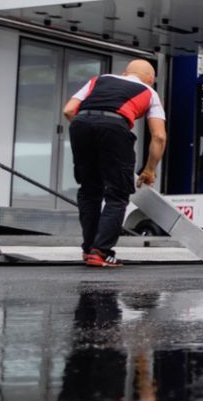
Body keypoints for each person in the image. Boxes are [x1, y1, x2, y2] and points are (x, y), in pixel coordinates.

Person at [61, 60, 167, 268]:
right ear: (151, 80)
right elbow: (159, 137)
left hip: (81, 124)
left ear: (125, 73)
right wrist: (149, 170)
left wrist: (90, 129)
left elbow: (69, 110)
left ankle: (89, 249)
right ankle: (101, 252)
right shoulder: (149, 92)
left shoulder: (98, 80)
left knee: (90, 190)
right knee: (118, 193)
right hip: (114, 126)